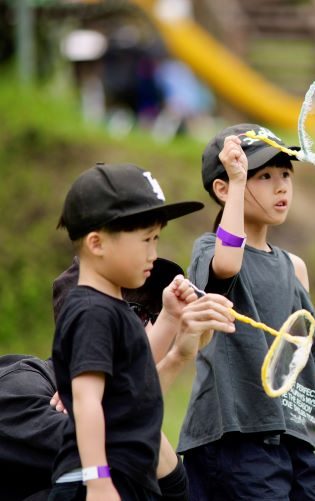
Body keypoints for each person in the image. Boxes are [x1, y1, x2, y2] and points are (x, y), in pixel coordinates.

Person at [178, 124, 315, 500]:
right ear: (224, 189)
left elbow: (308, 358)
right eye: (264, 176)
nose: (281, 187)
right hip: (237, 436)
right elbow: (227, 265)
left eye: (285, 175)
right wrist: (239, 183)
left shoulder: (295, 268)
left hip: (293, 435)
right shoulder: (211, 250)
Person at [0, 257, 236, 501]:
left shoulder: (122, 410)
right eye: (132, 313)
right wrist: (176, 358)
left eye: (152, 317)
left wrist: (175, 340)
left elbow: (176, 490)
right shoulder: (19, 386)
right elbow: (112, 450)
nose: (147, 332)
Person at [47, 162, 213, 500]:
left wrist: (173, 325)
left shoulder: (115, 310)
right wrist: (97, 480)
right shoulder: (91, 311)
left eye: (157, 239)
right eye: (145, 240)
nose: (154, 254)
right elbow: (87, 400)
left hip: (128, 476)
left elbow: (137, 381)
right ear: (96, 243)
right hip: (96, 480)